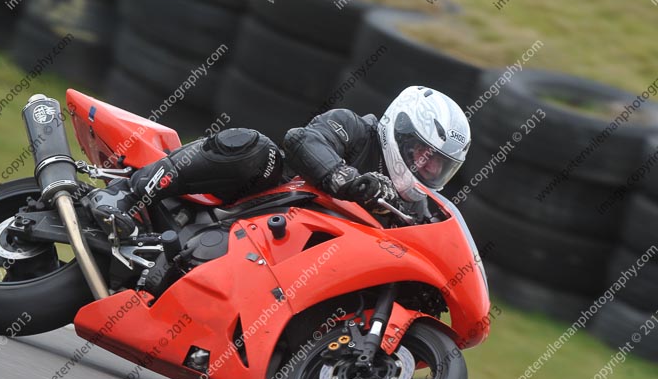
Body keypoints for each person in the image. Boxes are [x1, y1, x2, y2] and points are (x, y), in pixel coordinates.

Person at [87, 86, 471, 236]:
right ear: (400, 130)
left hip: (294, 252)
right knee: (256, 149)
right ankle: (126, 194)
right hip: (253, 202)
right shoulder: (354, 128)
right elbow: (303, 139)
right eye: (422, 152)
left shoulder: (414, 205)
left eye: (437, 164)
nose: (425, 166)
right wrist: (346, 179)